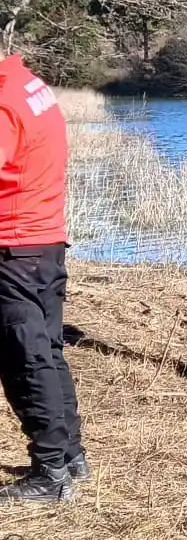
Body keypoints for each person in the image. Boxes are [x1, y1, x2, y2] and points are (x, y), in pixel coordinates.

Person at [0, 54, 85, 502]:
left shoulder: (4, 101)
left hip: (14, 246)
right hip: (44, 241)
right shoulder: (30, 85)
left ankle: (50, 472)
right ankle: (70, 455)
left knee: (24, 357)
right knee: (48, 350)